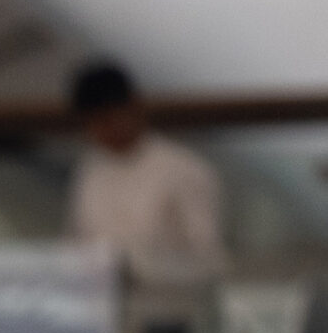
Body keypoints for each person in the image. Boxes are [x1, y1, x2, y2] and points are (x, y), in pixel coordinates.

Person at [66, 62, 224, 292]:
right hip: (99, 308)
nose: (102, 129)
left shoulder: (183, 169)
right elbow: (74, 246)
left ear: (133, 106)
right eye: (92, 122)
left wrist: (138, 271)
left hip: (166, 309)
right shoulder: (90, 170)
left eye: (107, 117)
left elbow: (209, 261)